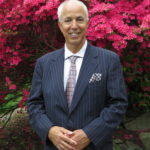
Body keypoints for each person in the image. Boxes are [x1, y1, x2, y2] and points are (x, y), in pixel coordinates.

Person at [27, 0, 128, 150]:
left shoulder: (108, 60)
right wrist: (50, 130)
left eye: (79, 19)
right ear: (61, 26)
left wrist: (89, 134)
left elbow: (117, 104)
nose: (74, 26)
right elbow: (34, 105)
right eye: (68, 20)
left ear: (87, 23)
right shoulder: (44, 63)